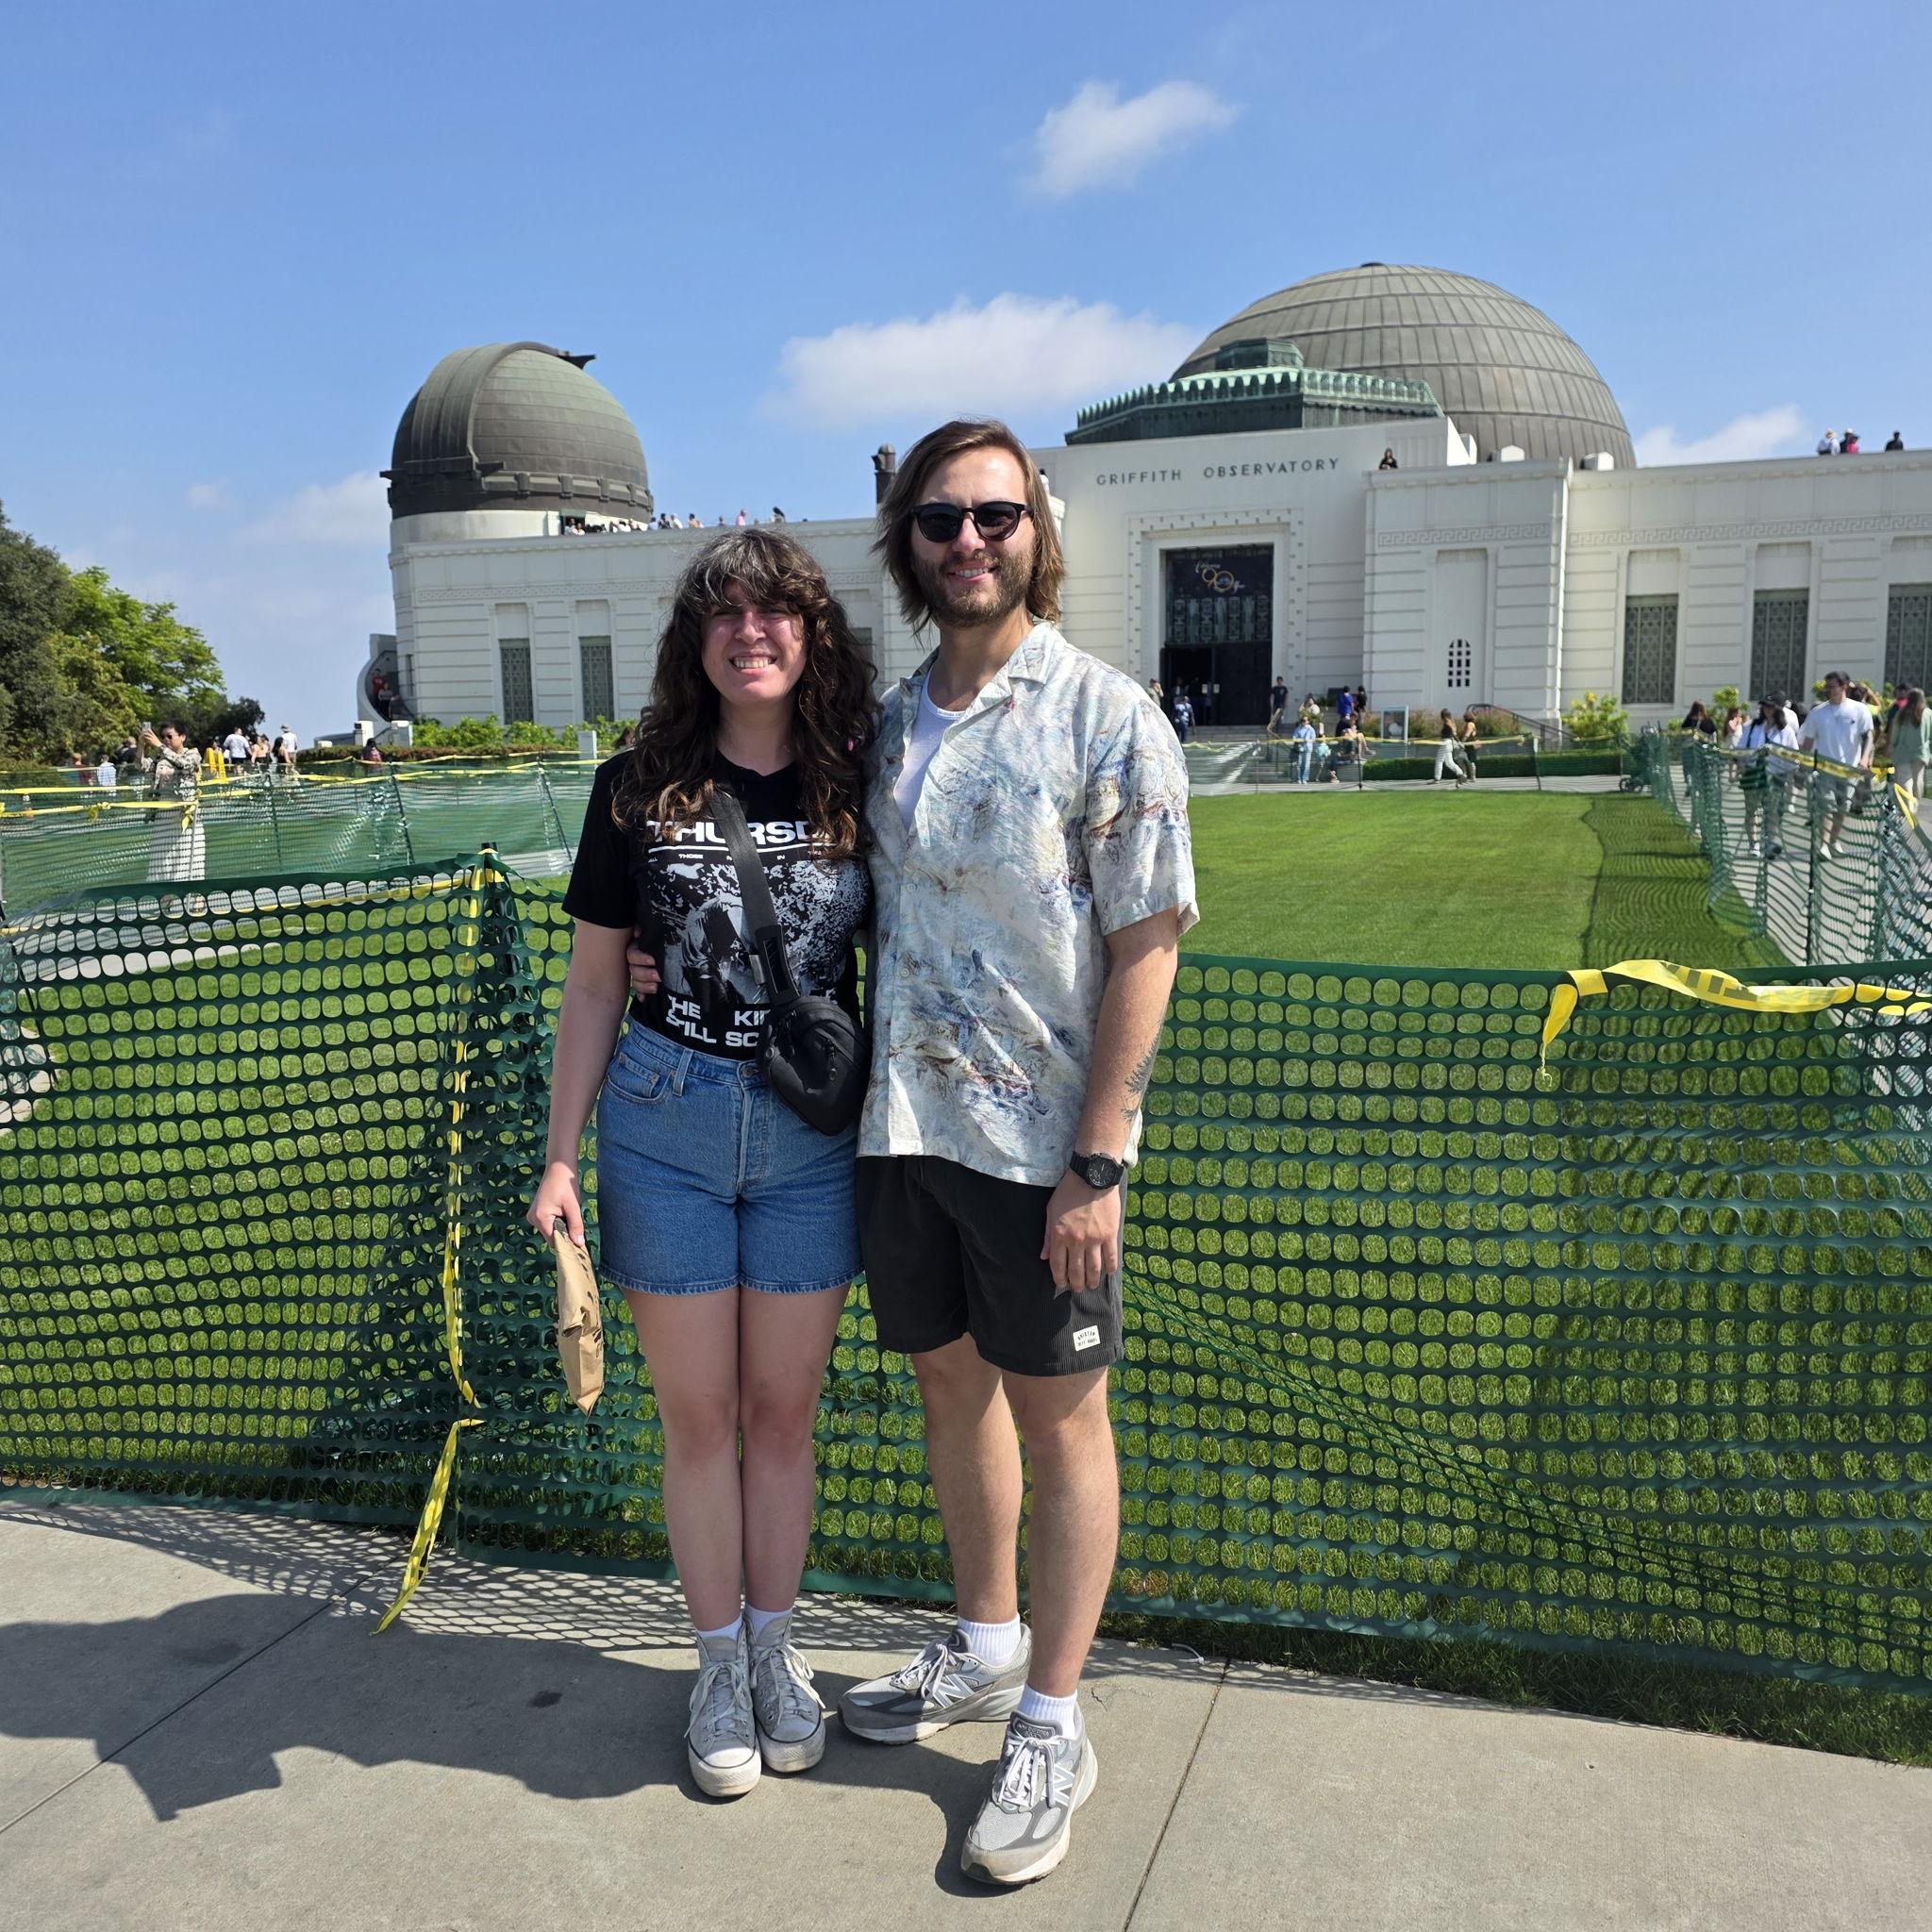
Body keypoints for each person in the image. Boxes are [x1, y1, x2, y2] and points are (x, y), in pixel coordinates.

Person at [625, 418, 1191, 1887]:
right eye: (941, 519)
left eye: (995, 517)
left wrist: (1103, 1156)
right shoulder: (878, 727)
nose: (968, 542)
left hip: (1041, 1143)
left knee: (1063, 1415)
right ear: (910, 543)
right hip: (891, 1129)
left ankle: (1053, 1722)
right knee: (955, 1392)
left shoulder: (1106, 715)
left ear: (1036, 533)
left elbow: (1148, 941)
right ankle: (990, 1645)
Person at [533, 527, 877, 1801]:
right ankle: (717, 1666)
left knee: (783, 1417)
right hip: (665, 1119)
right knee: (701, 1420)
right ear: (698, 638)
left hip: (807, 1139)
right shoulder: (638, 785)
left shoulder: (861, 778)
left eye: (777, 613)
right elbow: (587, 984)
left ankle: (781, 1656)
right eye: (726, 614)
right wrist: (560, 1157)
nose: (753, 634)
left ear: (810, 632)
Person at [1800, 671, 1873, 859]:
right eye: (1827, 686)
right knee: (1827, 807)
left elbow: (1868, 736)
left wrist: (1864, 759)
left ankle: (1833, 842)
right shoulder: (1818, 712)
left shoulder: (1859, 710)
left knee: (1842, 809)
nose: (1828, 690)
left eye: (1832, 686)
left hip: (1850, 770)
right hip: (1825, 768)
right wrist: (1803, 762)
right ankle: (1823, 845)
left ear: (1844, 686)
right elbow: (1807, 741)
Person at [138, 723, 206, 884]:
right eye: (163, 737)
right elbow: (141, 766)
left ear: (182, 737)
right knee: (164, 860)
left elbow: (184, 764)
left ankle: (196, 898)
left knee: (190, 857)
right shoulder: (160, 758)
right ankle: (166, 897)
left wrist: (159, 745)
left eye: (170, 736)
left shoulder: (193, 754)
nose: (166, 739)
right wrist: (141, 745)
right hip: (164, 816)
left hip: (186, 817)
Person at [1740, 696, 1799, 857]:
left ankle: (1770, 843)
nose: (1768, 710)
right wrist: (1742, 765)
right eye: (1765, 706)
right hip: (1753, 774)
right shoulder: (1751, 727)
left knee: (1772, 810)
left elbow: (1793, 756)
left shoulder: (1785, 731)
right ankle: (1753, 844)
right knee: (1752, 810)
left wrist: (1791, 777)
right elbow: (1740, 750)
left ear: (1778, 709)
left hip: (1776, 774)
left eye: (1772, 707)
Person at [1890, 688, 1927, 798]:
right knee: (1917, 780)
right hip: (1920, 753)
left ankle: (1908, 806)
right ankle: (1915, 804)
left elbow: (1895, 733)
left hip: (1902, 752)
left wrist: (1892, 745)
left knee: (1904, 780)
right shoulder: (1928, 714)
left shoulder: (1901, 713)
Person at [1433, 708, 1471, 786]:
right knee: (1449, 762)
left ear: (1444, 717)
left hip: (1445, 743)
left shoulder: (1447, 723)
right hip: (1449, 744)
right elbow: (1453, 733)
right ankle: (1461, 774)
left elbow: (1453, 733)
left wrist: (1459, 742)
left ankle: (1437, 778)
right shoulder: (1451, 722)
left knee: (1439, 761)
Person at [1291, 712, 1320, 783]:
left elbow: (1313, 739)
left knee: (1306, 764)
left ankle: (1304, 778)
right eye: (1303, 720)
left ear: (1308, 721)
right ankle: (1299, 778)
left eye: (1305, 720)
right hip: (1300, 748)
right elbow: (1294, 737)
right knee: (1299, 764)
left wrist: (1307, 740)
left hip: (1308, 748)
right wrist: (1299, 740)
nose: (1304, 722)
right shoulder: (1298, 729)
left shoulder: (1311, 729)